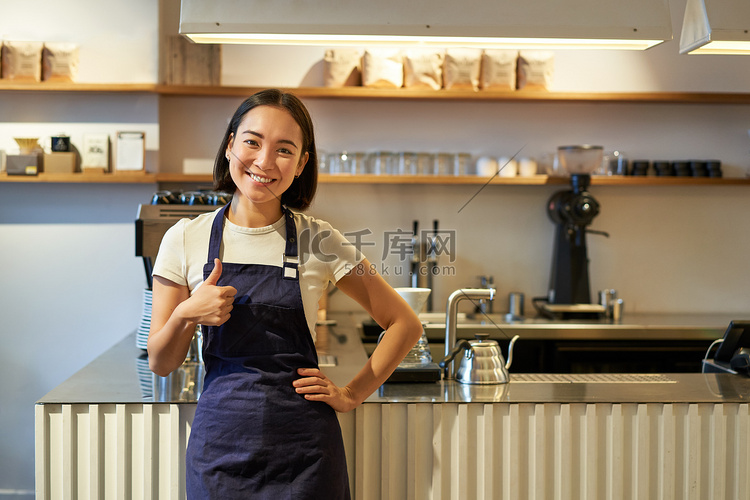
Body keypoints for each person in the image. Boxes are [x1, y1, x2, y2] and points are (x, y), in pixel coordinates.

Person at [147, 88, 423, 499]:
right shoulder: (185, 238)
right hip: (220, 449)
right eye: (252, 142)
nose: (263, 161)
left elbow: (404, 323)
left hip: (305, 453)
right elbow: (162, 362)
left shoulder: (320, 239)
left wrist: (350, 394)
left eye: (284, 150)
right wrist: (187, 313)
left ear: (301, 164)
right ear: (229, 146)